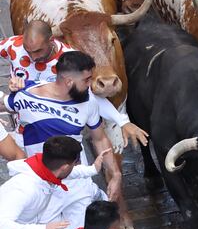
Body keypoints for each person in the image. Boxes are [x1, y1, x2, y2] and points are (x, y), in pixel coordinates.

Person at [3, 51, 123, 229]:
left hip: (78, 186)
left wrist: (115, 175)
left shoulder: (89, 102)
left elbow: (99, 139)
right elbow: (4, 103)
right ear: (68, 81)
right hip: (44, 191)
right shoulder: (26, 95)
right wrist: (13, 86)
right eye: (86, 80)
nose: (90, 85)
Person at [2, 20, 148, 150]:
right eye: (28, 51)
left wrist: (122, 121)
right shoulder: (13, 46)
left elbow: (88, 96)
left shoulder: (70, 60)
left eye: (38, 51)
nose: (33, 57)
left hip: (60, 134)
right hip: (24, 132)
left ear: (51, 40)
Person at [0, 136, 108, 229]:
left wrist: (92, 169)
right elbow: (2, 226)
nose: (76, 166)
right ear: (65, 167)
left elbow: (66, 172)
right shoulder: (25, 189)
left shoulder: (42, 167)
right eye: (76, 163)